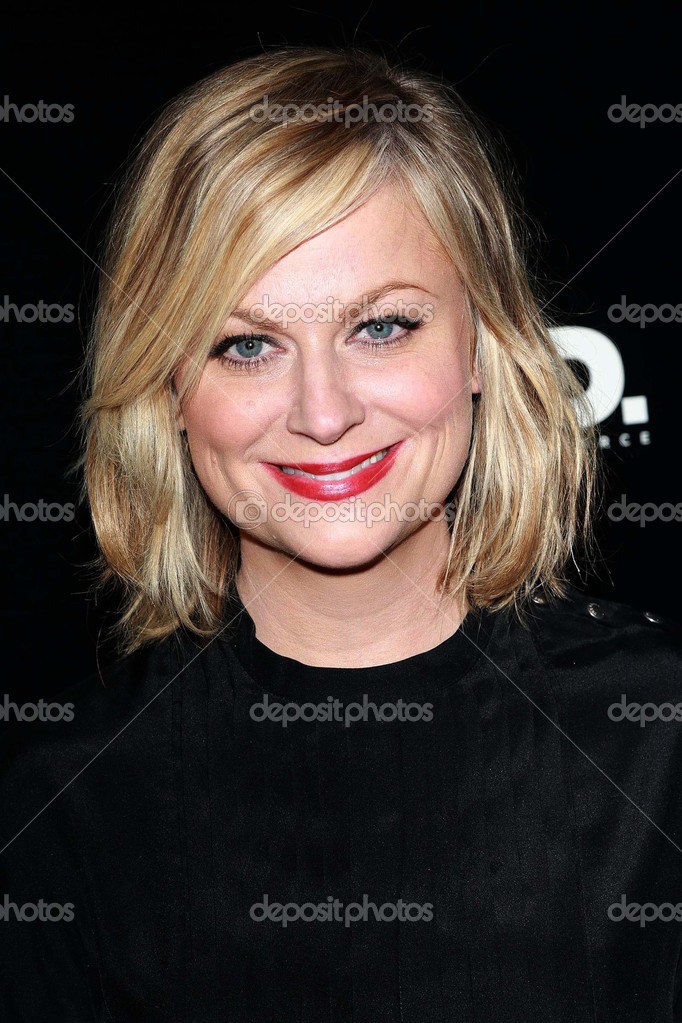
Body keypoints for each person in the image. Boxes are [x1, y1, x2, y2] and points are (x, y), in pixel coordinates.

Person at [1, 45, 681, 1023]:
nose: (323, 413)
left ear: (482, 342)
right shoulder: (64, 800)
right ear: (170, 388)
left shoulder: (655, 736)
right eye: (247, 344)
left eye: (382, 327)